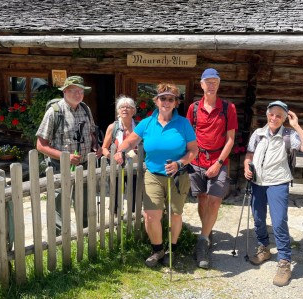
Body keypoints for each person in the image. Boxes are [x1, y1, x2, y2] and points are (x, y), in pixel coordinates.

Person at [114, 83, 198, 267]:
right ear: (156, 101)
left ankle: (172, 249)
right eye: (163, 98)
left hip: (177, 175)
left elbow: (193, 150)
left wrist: (179, 163)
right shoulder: (147, 123)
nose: (166, 102)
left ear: (176, 103)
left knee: (175, 214)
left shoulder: (183, 124)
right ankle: (157, 249)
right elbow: (130, 141)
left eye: (171, 99)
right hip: (153, 174)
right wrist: (120, 151)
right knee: (151, 215)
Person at [244, 100, 303, 287]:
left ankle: (284, 262)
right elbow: (249, 154)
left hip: (278, 184)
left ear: (284, 118)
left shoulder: (290, 135)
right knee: (258, 219)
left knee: (279, 222)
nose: (274, 118)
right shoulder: (258, 134)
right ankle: (264, 249)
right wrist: (246, 167)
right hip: (257, 182)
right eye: (271, 114)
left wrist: (296, 125)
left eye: (279, 115)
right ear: (267, 114)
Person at [36, 75, 102, 234]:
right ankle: (58, 238)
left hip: (85, 166)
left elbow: (91, 132)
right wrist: (66, 157)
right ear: (65, 91)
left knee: (85, 201)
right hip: (60, 167)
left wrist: (95, 144)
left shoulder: (85, 109)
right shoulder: (55, 112)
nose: (78, 94)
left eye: (81, 91)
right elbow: (40, 145)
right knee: (60, 203)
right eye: (73, 91)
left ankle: (85, 235)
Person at [186, 68, 237, 269]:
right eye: (208, 81)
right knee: (202, 199)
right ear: (201, 84)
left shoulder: (228, 108)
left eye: (215, 81)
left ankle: (203, 241)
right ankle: (207, 232)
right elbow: (188, 134)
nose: (211, 84)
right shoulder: (193, 108)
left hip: (219, 160)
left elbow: (230, 139)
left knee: (215, 201)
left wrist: (218, 163)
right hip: (197, 161)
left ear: (219, 84)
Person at [101, 95, 138, 214]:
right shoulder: (113, 127)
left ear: (133, 110)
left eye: (128, 107)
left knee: (134, 193)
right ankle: (116, 217)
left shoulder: (139, 127)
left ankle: (132, 216)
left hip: (135, 166)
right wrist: (112, 157)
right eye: (122, 107)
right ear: (118, 111)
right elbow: (104, 148)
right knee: (115, 193)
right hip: (116, 165)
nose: (125, 109)